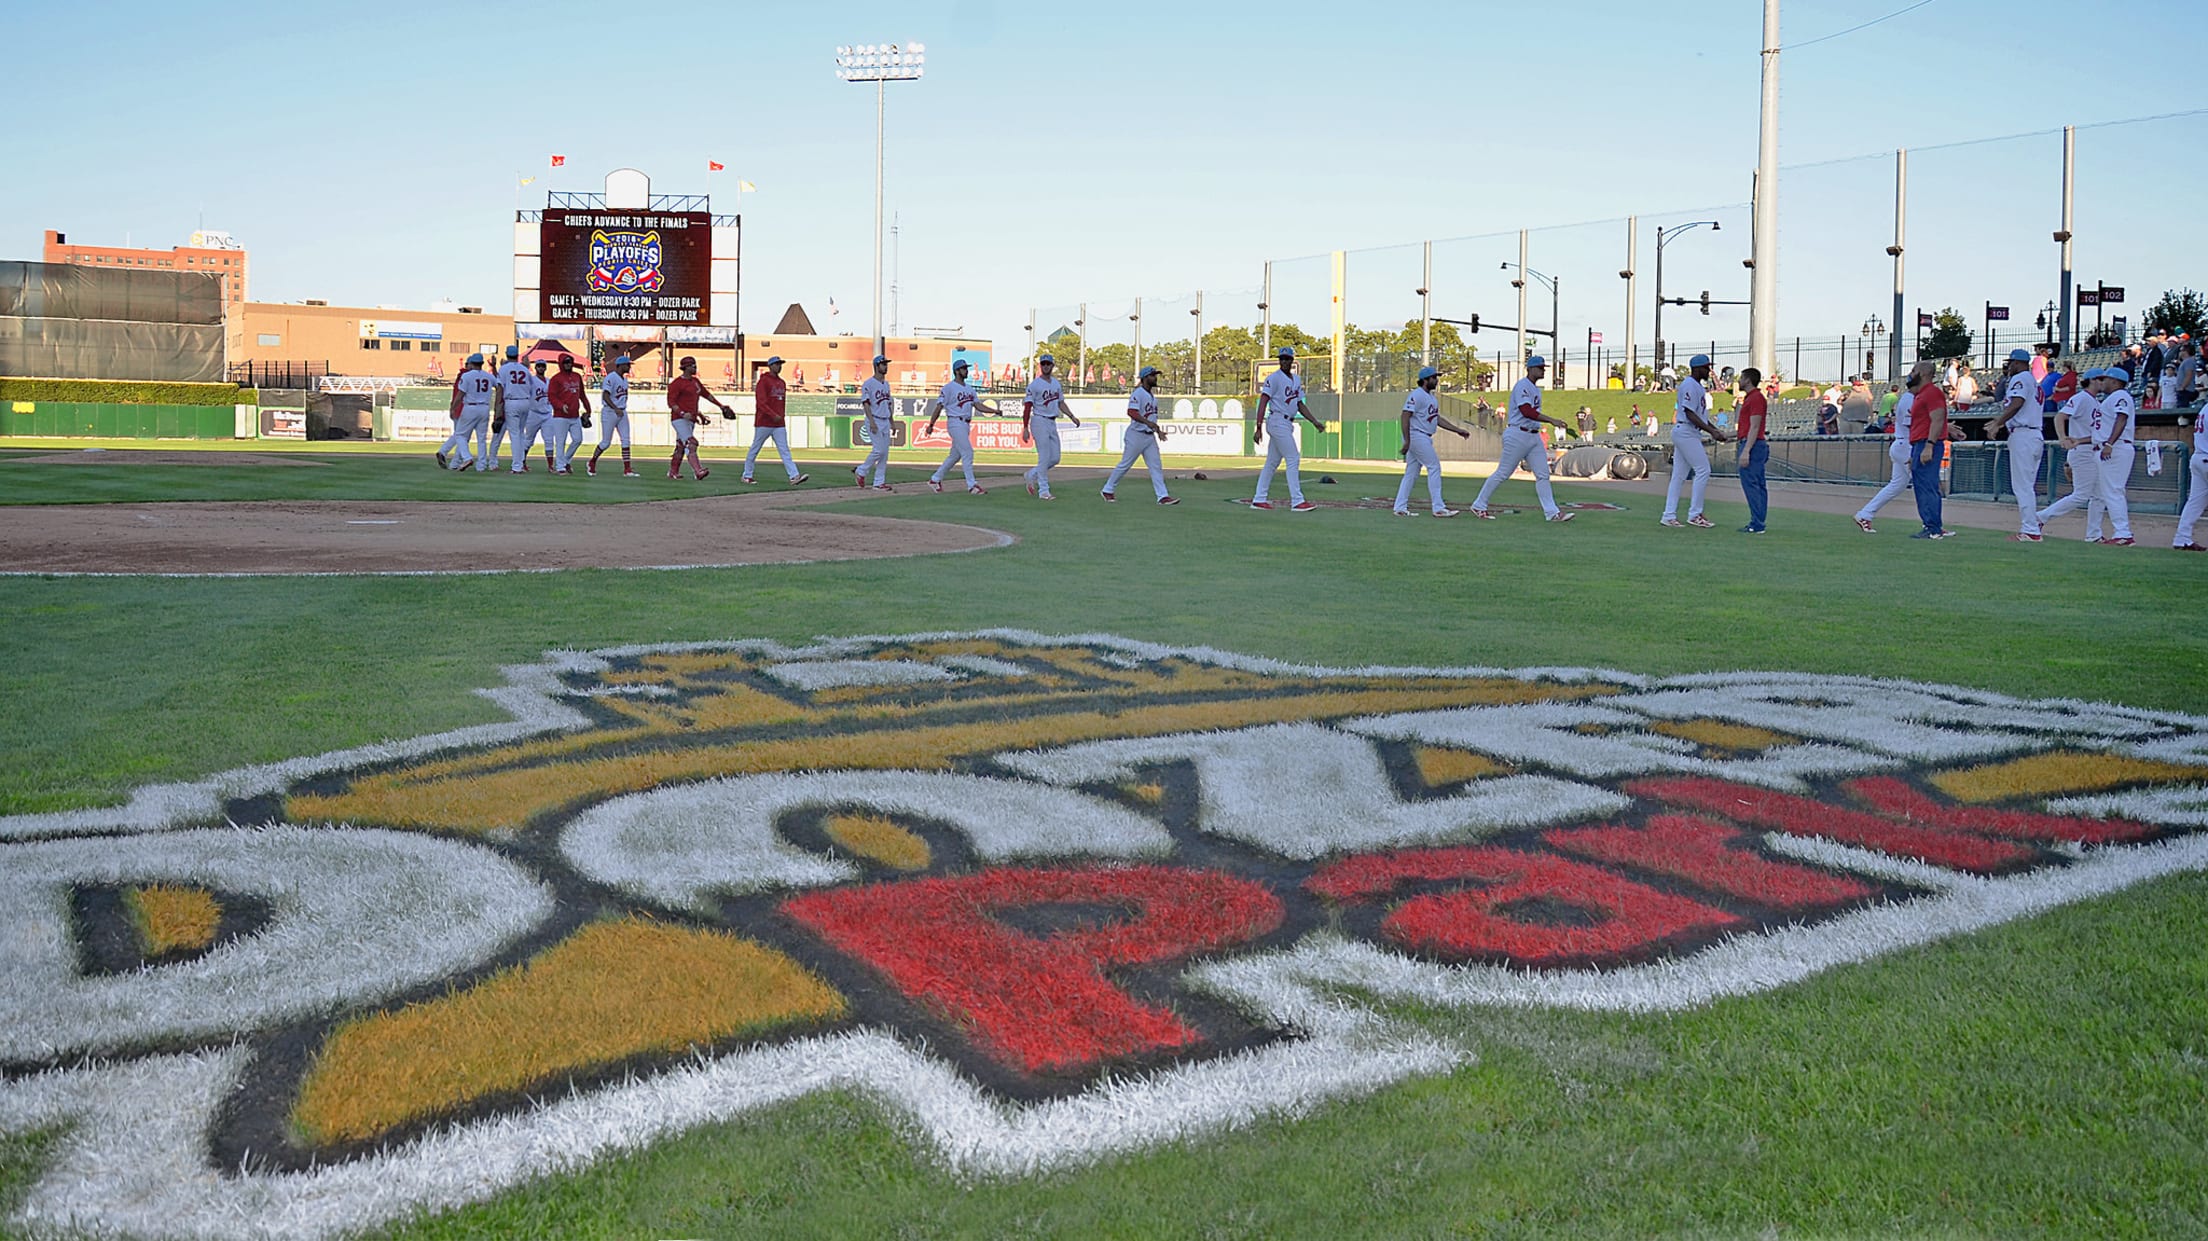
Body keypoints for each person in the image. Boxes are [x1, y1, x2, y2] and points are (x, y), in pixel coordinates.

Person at [1469, 355, 1574, 522]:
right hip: (1518, 434)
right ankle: (1479, 505)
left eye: (1543, 368)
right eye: (1540, 368)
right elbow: (1526, 411)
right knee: (1503, 473)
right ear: (1530, 369)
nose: (1542, 370)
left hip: (1533, 435)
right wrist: (1551, 420)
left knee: (1543, 474)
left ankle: (1552, 513)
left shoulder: (1535, 389)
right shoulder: (1522, 386)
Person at [2034, 368, 2107, 541]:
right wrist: (2062, 437)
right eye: (2101, 379)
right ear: (2092, 380)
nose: (2104, 382)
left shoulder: (2096, 402)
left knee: (2099, 495)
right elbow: (2059, 417)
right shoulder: (2081, 398)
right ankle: (2041, 517)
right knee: (2082, 495)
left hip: (2091, 450)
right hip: (2081, 452)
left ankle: (2094, 535)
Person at [1251, 347, 1325, 512]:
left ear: (1292, 360)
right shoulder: (1274, 378)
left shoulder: (1296, 380)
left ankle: (1259, 499)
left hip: (1286, 423)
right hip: (1277, 420)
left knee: (1272, 462)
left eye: (1287, 358)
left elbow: (1300, 404)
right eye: (1281, 358)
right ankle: (1297, 501)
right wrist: (1258, 427)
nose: (1284, 361)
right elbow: (1263, 401)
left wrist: (1314, 421)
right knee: (1293, 458)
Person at [1660, 354, 1729, 528]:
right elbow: (1690, 413)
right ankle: (1695, 513)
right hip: (1686, 431)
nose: (1708, 370)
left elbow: (1700, 416)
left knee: (1679, 476)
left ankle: (1669, 515)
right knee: (1703, 470)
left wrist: (1715, 430)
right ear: (1697, 368)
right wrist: (1712, 432)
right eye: (1706, 367)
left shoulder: (1696, 386)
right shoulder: (1690, 384)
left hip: (1687, 431)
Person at [1393, 365, 1471, 517]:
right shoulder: (1417, 395)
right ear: (1424, 380)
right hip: (1417, 435)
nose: (1436, 380)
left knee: (1411, 473)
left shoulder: (1431, 398)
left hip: (1423, 436)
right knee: (1434, 466)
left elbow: (1437, 419)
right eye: (1434, 377)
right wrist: (1407, 440)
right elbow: (1405, 415)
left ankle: (1400, 507)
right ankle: (1438, 508)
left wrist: (1457, 430)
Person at [1988, 349, 2045, 541]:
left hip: (2024, 435)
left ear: (2018, 363)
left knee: (2022, 487)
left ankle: (2030, 530)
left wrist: (1998, 422)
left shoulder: (2020, 378)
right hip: (2033, 434)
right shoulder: (2032, 381)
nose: (2009, 366)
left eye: (2011, 362)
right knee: (2026, 486)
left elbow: (2017, 402)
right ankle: (2031, 527)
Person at [1852, 369, 1918, 533]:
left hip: (1901, 444)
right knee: (1925, 485)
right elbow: (1913, 425)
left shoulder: (1909, 398)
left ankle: (1865, 514)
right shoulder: (1909, 399)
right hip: (1906, 446)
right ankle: (1932, 526)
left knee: (1897, 485)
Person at [1101, 366, 1178, 505]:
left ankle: (1163, 496)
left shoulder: (1153, 397)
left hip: (1149, 437)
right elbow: (1132, 412)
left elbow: (1152, 419)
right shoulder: (1138, 393)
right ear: (1145, 378)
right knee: (1125, 465)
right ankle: (1108, 489)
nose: (1155, 378)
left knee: (1156, 466)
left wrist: (1158, 431)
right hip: (1136, 435)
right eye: (1152, 375)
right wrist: (1148, 423)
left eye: (1155, 375)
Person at [925, 357, 997, 494]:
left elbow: (978, 405)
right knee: (968, 452)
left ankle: (935, 479)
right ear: (957, 371)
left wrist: (994, 411)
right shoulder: (949, 388)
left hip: (965, 424)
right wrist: (931, 424)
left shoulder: (970, 389)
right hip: (955, 422)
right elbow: (939, 406)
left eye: (966, 368)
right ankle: (972, 485)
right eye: (964, 368)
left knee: (955, 456)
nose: (966, 371)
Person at [1021, 353, 1081, 500]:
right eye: (1043, 364)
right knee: (1044, 457)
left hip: (1052, 421)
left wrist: (1072, 416)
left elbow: (1061, 402)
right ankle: (1043, 491)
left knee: (1055, 458)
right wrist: (1025, 427)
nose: (1046, 366)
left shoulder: (1056, 384)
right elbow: (1028, 406)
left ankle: (1031, 475)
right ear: (1040, 366)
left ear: (1052, 366)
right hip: (1039, 420)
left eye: (1048, 364)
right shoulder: (1034, 385)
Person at [1903, 357, 1952, 539]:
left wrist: (1929, 446)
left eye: (1914, 371)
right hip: (1919, 443)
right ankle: (1930, 525)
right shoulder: (1921, 394)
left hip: (1926, 443)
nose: (1911, 374)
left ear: (1923, 374)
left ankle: (1933, 527)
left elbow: (1937, 419)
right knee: (1922, 485)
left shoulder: (1932, 393)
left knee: (1927, 485)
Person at [741, 355, 808, 486]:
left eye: (780, 364)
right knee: (755, 449)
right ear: (770, 366)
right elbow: (761, 402)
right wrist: (773, 414)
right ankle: (747, 475)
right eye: (777, 364)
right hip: (764, 422)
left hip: (778, 423)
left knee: (784, 450)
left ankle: (794, 476)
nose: (779, 366)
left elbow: (782, 403)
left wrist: (780, 417)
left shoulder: (782, 382)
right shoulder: (764, 381)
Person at [666, 355, 730, 481]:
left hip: (691, 419)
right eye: (692, 365)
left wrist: (720, 406)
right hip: (679, 419)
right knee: (691, 443)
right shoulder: (677, 383)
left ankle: (673, 472)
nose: (695, 367)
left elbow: (706, 395)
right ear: (685, 368)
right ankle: (698, 471)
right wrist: (683, 413)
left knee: (680, 445)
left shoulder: (695, 381)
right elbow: (671, 402)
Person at [2094, 366, 2137, 545]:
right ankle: (2121, 532)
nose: (2102, 383)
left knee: (2113, 491)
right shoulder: (2113, 398)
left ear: (2115, 381)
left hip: (2116, 447)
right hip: (2113, 447)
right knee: (2111, 491)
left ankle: (2123, 533)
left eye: (2105, 379)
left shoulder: (2121, 395)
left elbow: (2122, 418)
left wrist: (2109, 443)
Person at [587, 355, 638, 477]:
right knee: (606, 442)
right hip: (610, 412)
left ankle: (627, 469)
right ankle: (592, 462)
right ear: (620, 366)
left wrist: (620, 408)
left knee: (626, 440)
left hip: (621, 411)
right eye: (627, 364)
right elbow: (605, 395)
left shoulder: (624, 379)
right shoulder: (611, 377)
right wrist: (615, 408)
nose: (629, 367)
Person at [440, 352, 494, 469]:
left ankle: (467, 458)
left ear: (471, 363)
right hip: (484, 407)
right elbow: (499, 385)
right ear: (482, 363)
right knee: (481, 439)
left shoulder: (466, 376)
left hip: (470, 407)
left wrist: (452, 407)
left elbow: (460, 395)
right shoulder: (488, 376)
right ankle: (482, 465)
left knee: (460, 435)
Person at [1734, 367, 1770, 534]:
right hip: (1753, 443)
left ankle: (1757, 523)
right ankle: (1758, 521)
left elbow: (1755, 427)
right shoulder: (1753, 398)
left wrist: (1746, 450)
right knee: (1758, 484)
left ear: (1747, 380)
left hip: (1753, 446)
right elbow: (1749, 427)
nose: (1739, 381)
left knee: (1752, 485)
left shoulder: (1755, 398)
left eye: (1741, 378)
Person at [855, 354, 897, 490]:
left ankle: (879, 483)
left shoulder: (886, 384)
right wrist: (872, 421)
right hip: (874, 419)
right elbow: (866, 404)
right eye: (883, 364)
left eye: (886, 364)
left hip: (885, 420)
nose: (886, 366)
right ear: (876, 366)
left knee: (884, 454)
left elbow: (888, 404)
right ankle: (861, 471)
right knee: (878, 450)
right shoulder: (868, 384)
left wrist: (892, 422)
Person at [492, 345, 533, 474]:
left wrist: (497, 408)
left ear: (506, 354)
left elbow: (500, 389)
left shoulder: (504, 369)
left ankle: (516, 466)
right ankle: (520, 463)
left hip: (512, 402)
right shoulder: (525, 369)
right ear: (517, 355)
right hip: (525, 401)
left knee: (515, 435)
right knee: (521, 434)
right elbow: (531, 387)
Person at [2174, 409, 2208, 551]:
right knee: (2195, 501)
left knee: (2195, 501)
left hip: (2198, 457)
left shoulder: (2205, 408)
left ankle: (2182, 538)